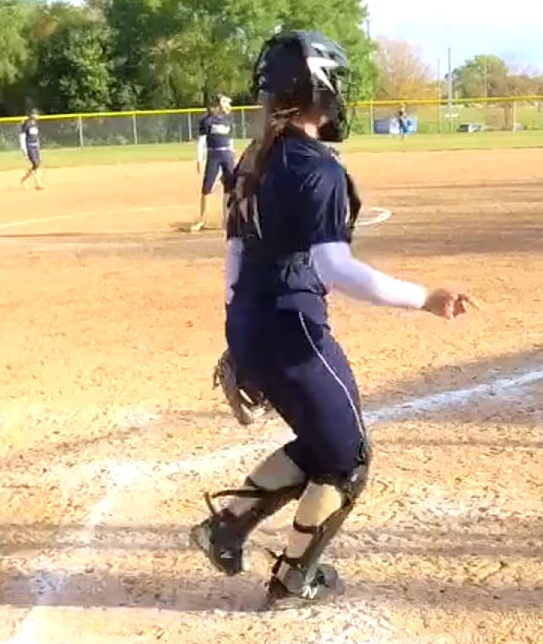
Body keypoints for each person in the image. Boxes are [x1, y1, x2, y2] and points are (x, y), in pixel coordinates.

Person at [192, 31, 474, 610]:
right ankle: (295, 577)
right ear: (316, 88)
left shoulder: (254, 156)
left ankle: (228, 527)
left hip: (252, 321)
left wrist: (239, 337)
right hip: (293, 330)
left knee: (323, 443)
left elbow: (235, 256)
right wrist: (425, 297)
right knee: (348, 460)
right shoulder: (313, 166)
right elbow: (335, 269)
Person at [190, 95, 235, 232]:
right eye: (226, 103)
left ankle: (226, 219)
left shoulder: (229, 120)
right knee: (206, 187)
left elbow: (230, 140)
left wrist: (232, 154)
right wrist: (199, 159)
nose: (229, 106)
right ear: (219, 104)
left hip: (227, 155)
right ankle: (202, 220)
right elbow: (202, 141)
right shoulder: (207, 120)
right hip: (213, 155)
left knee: (229, 187)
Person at [18, 108, 44, 190]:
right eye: (36, 114)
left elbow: (36, 136)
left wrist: (38, 145)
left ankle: (24, 179)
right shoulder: (27, 123)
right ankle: (38, 183)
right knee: (36, 164)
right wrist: (23, 149)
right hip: (29, 146)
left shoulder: (35, 124)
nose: (38, 116)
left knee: (37, 165)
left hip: (35, 146)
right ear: (32, 115)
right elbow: (22, 136)